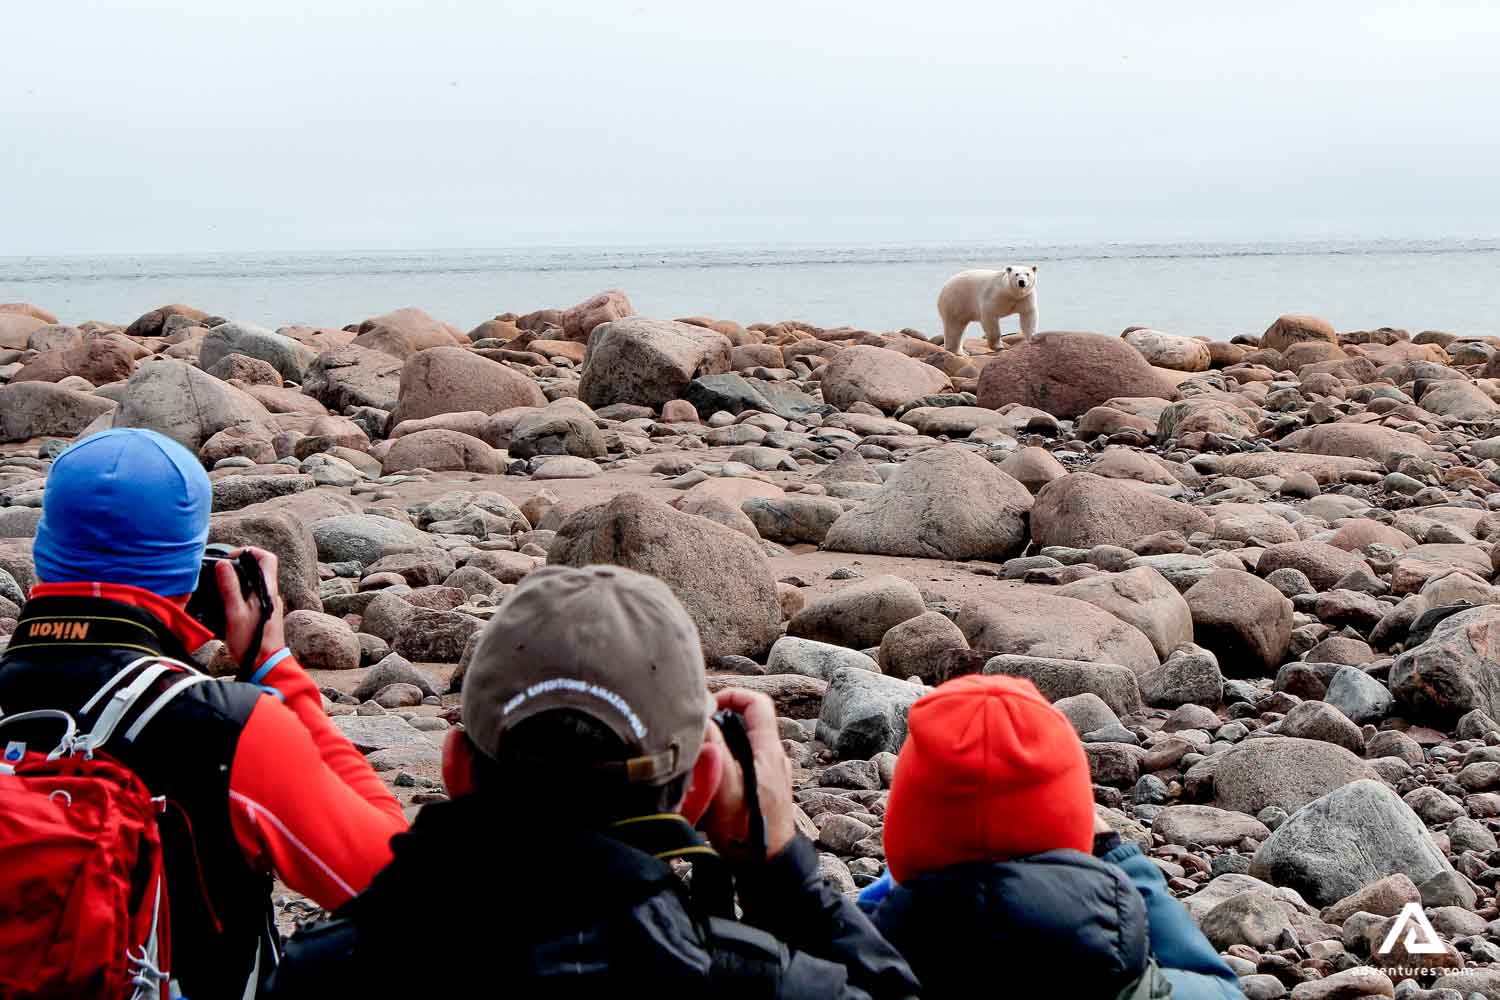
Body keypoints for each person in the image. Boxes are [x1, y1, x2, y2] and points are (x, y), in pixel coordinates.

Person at [268, 563, 921, 998]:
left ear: (457, 770)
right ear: (700, 789)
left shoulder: (323, 969)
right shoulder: (765, 982)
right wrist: (782, 873)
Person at [0, 428, 408, 999]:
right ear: (192, 573)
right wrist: (274, 666)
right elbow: (395, 887)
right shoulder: (228, 726)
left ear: (43, 551)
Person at [857, 674, 1243, 1000]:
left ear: (903, 843)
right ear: (1079, 841)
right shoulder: (1135, 983)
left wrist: (877, 902)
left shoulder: (838, 973)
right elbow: (1217, 985)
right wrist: (1119, 859)